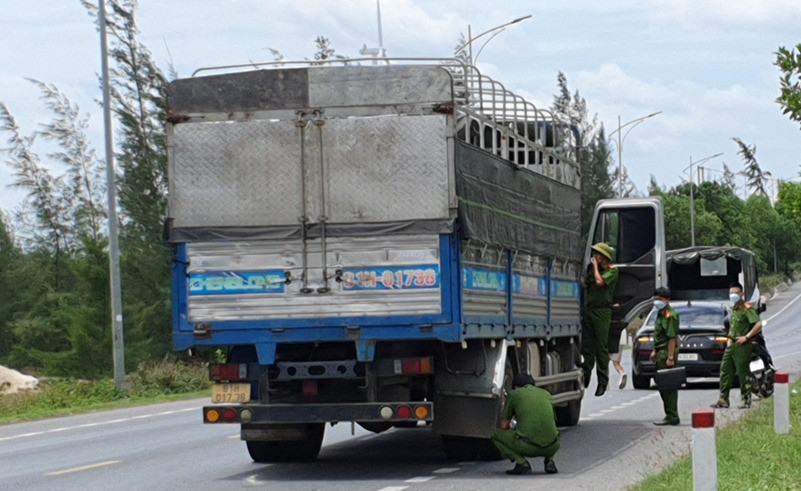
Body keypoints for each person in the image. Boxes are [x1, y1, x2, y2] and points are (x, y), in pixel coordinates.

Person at [491, 374, 560, 475]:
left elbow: (504, 426)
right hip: (553, 446)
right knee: (549, 433)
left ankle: (522, 463)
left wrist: (514, 427)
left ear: (516, 387)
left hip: (527, 447)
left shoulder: (514, 394)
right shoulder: (546, 394)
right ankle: (549, 461)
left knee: (495, 435)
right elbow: (552, 421)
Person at [712, 282, 764, 409]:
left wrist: (746, 337)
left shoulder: (746, 308)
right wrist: (729, 339)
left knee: (742, 372)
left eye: (735, 293)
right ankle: (723, 399)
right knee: (725, 371)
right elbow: (733, 326)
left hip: (743, 345)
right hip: (732, 344)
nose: (733, 295)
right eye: (731, 293)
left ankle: (746, 400)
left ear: (742, 294)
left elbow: (758, 324)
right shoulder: (734, 309)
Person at [580, 242, 619, 396]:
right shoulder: (594, 271)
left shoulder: (612, 271)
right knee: (587, 345)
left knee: (601, 347)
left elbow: (599, 282)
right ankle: (586, 375)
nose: (594, 257)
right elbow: (586, 283)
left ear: (604, 257)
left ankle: (603, 381)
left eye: (597, 254)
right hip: (590, 310)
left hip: (603, 312)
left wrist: (595, 268)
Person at [650, 287, 681, 425]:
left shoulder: (670, 315)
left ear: (667, 300)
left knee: (668, 386)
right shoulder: (660, 314)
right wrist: (655, 351)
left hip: (667, 352)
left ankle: (672, 416)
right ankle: (669, 414)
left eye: (660, 299)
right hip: (661, 351)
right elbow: (659, 336)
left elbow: (671, 338)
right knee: (663, 385)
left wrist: (670, 357)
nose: (657, 302)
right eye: (655, 299)